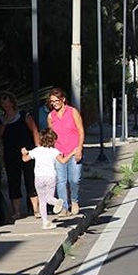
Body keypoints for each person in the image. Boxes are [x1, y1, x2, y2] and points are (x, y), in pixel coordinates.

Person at [0, 91, 40, 220]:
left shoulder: (23, 115)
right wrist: (4, 123)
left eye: (6, 99)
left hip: (27, 151)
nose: (4, 102)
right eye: (1, 100)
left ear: (11, 101)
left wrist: (38, 148)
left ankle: (35, 208)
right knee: (13, 182)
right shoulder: (1, 119)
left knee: (30, 180)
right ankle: (16, 211)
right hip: (10, 154)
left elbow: (34, 130)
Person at [46, 87, 84, 216]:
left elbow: (80, 130)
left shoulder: (72, 112)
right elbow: (50, 135)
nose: (54, 103)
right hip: (59, 151)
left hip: (73, 150)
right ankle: (63, 207)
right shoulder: (51, 116)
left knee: (74, 179)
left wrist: (79, 148)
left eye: (56, 100)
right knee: (60, 180)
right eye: (52, 101)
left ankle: (74, 201)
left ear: (63, 99)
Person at [21, 129, 66, 229]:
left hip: (39, 177)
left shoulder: (36, 150)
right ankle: (57, 202)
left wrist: (24, 153)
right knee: (49, 197)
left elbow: (25, 159)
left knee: (42, 200)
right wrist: (71, 153)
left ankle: (45, 222)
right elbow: (62, 161)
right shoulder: (54, 151)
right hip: (50, 177)